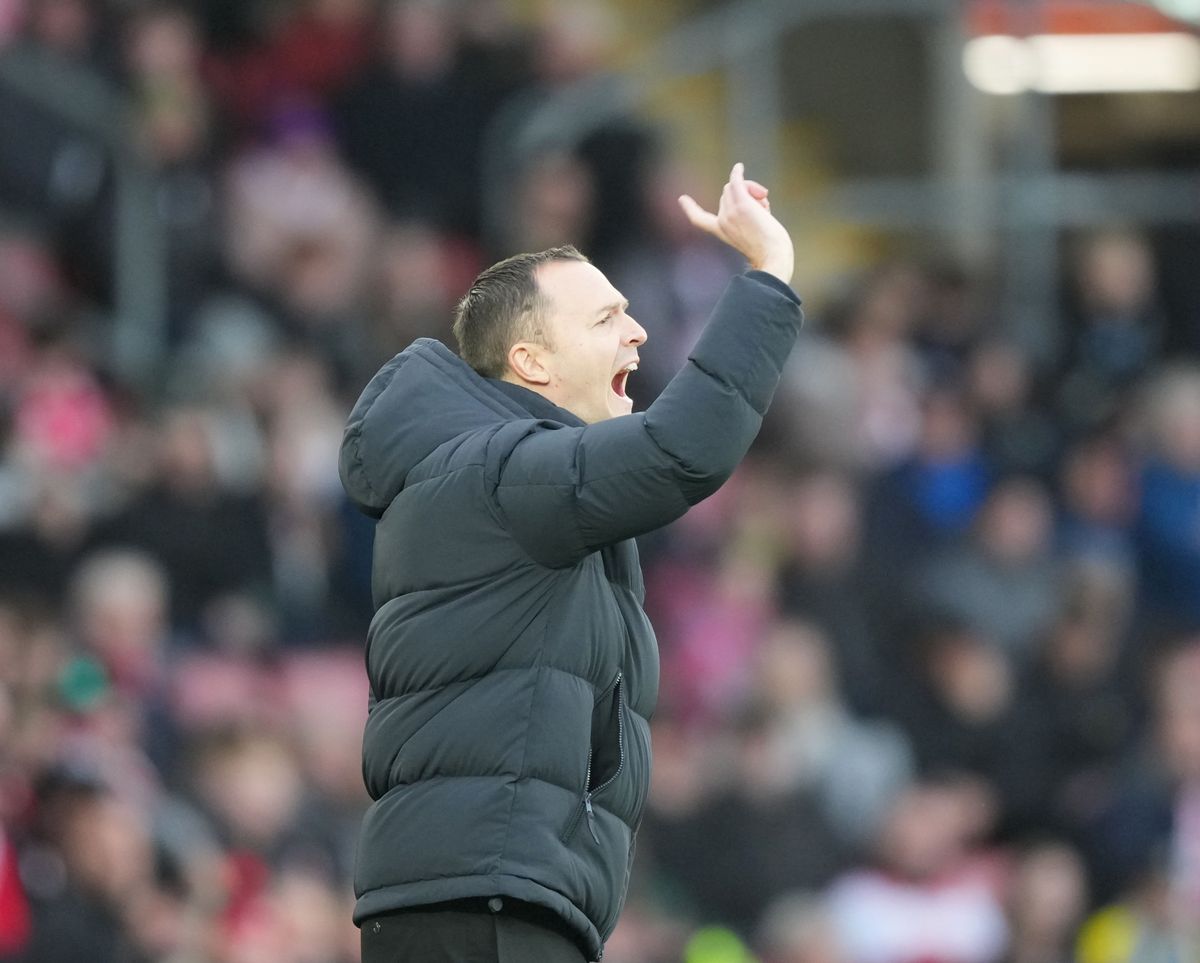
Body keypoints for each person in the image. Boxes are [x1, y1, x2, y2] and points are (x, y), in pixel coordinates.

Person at [339, 162, 801, 963]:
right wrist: (767, 275)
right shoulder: (504, 471)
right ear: (532, 362)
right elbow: (680, 448)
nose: (639, 332)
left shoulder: (498, 477)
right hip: (486, 901)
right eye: (606, 319)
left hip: (485, 895)